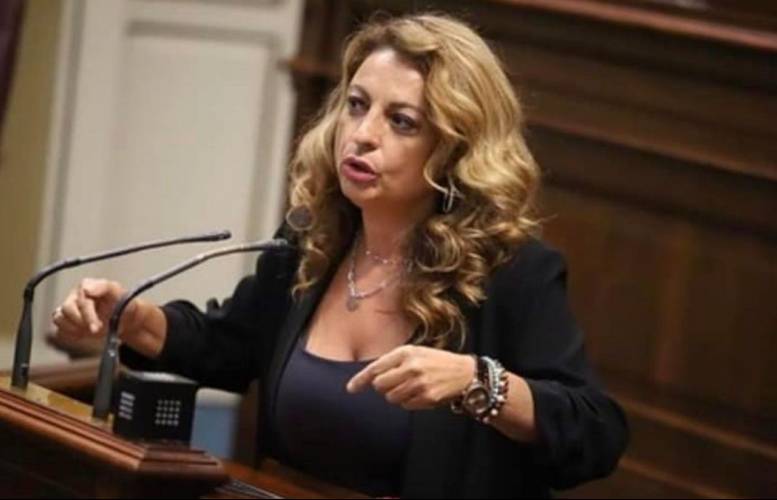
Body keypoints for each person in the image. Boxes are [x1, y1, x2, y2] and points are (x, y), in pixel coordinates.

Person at [52, 13, 628, 498]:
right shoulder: (313, 239)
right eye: (356, 105)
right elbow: (232, 344)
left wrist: (479, 382)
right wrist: (135, 320)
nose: (363, 134)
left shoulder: (511, 272)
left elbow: (597, 433)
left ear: (456, 149)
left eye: (401, 121)